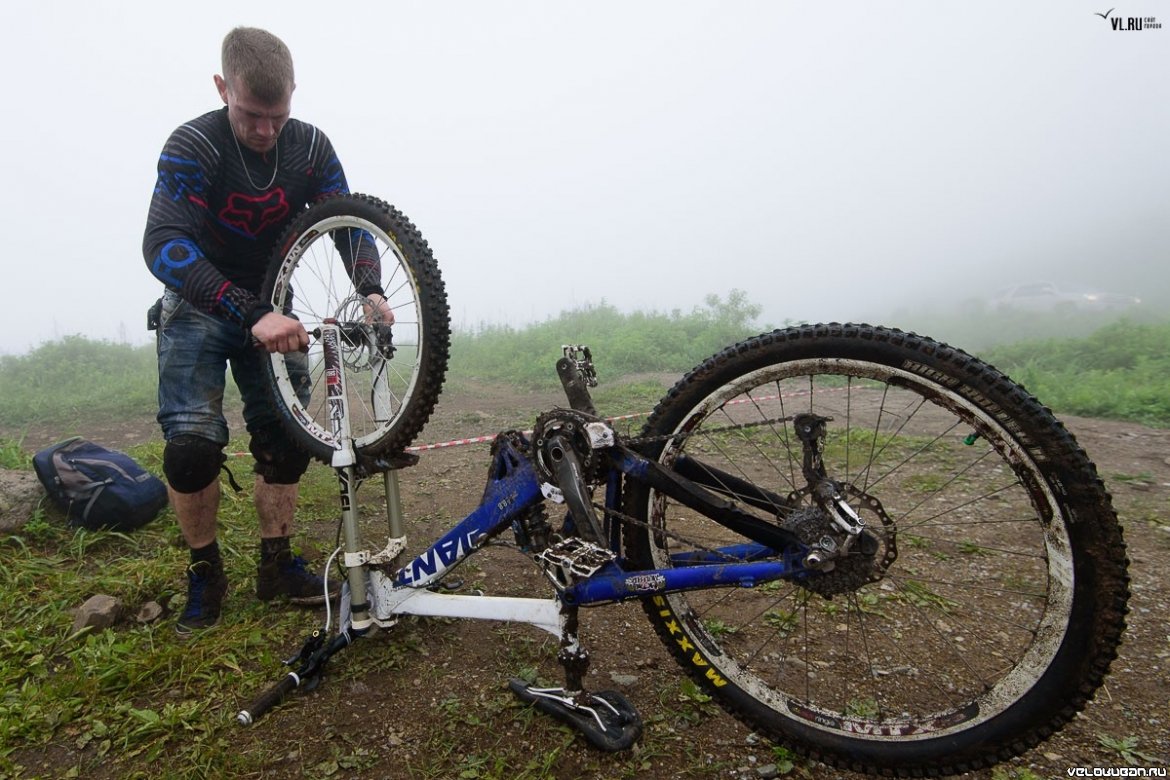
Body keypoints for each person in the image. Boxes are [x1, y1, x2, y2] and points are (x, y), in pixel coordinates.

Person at [143, 27, 391, 636]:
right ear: (222, 87)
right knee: (192, 445)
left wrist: (371, 288)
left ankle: (275, 566)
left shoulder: (309, 148)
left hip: (275, 307)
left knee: (285, 437)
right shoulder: (193, 145)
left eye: (277, 116)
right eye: (252, 115)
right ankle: (205, 572)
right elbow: (163, 244)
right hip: (199, 304)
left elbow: (347, 220)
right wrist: (248, 312)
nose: (265, 131)